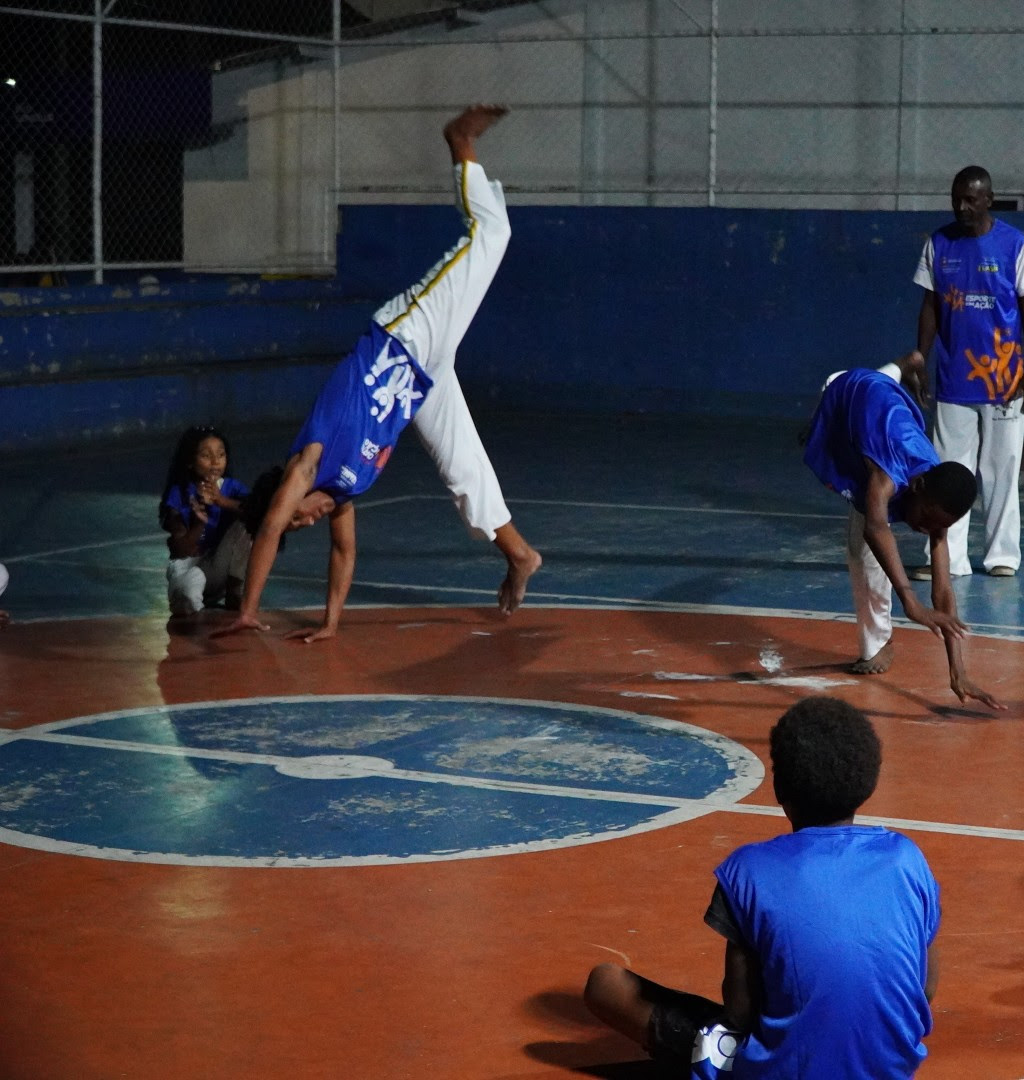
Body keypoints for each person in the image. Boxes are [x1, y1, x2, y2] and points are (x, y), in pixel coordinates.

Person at [216, 105, 541, 644]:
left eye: (297, 517)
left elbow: (269, 526)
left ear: (290, 497)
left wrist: (249, 609)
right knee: (464, 471)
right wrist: (330, 623)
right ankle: (520, 554)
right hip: (418, 384)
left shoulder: (309, 462)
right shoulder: (343, 494)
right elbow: (344, 555)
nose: (307, 521)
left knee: (492, 232)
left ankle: (459, 143)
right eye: (305, 525)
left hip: (406, 338)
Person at [583, 696, 940, 1078]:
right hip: (889, 1070)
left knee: (604, 984)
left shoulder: (748, 869)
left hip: (782, 1070)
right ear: (867, 781)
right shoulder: (907, 858)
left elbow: (739, 1011)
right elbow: (926, 988)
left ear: (779, 786)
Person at [803, 354, 1003, 709]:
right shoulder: (886, 471)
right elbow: (876, 529)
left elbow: (943, 597)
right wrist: (910, 601)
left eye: (938, 527)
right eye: (926, 519)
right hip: (845, 391)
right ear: (918, 485)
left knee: (865, 548)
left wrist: (958, 671)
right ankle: (898, 367)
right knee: (863, 545)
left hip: (886, 405)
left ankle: (902, 366)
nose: (927, 530)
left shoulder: (935, 499)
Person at [908, 164, 1024, 581]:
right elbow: (930, 306)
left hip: (1005, 380)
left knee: (1002, 467)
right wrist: (920, 358)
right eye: (956, 199)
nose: (962, 207)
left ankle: (1002, 555)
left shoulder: (1015, 245)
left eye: (970, 199)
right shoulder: (938, 244)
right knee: (949, 471)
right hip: (954, 379)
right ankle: (947, 558)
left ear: (989, 199)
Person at [159, 425, 252, 615]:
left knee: (251, 519)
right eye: (206, 455)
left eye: (221, 455)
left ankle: (235, 591)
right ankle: (193, 600)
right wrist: (199, 523)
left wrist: (222, 502)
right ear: (190, 462)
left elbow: (260, 512)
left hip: (219, 564)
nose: (215, 462)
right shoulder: (180, 493)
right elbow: (180, 550)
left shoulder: (231, 488)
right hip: (188, 566)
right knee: (188, 597)